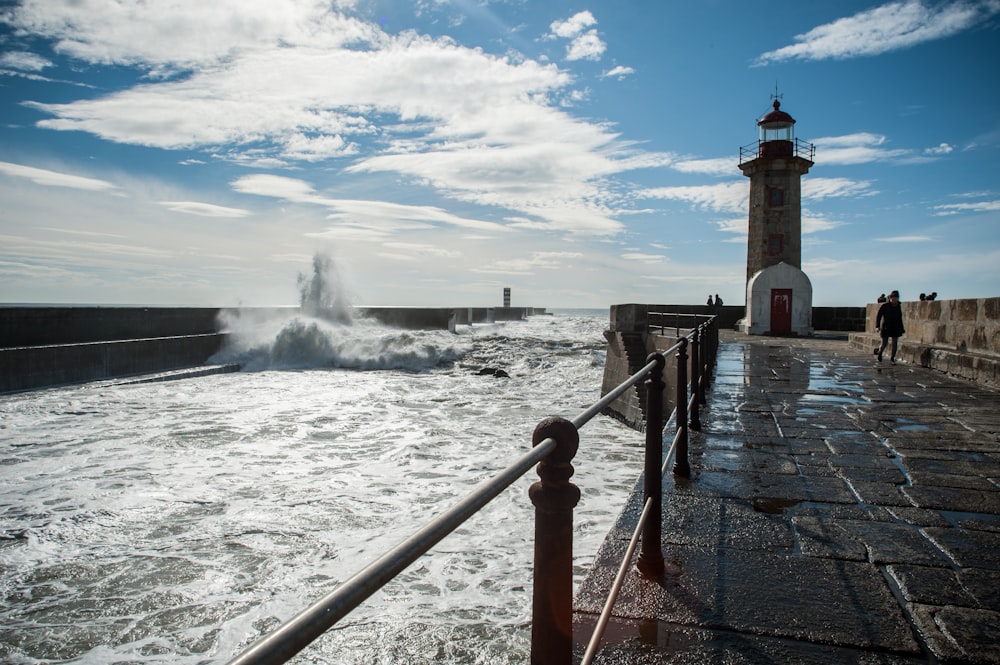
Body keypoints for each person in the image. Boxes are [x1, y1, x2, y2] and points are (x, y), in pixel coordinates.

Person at [874, 290, 905, 364]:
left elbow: (899, 317)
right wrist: (877, 326)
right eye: (893, 298)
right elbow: (879, 316)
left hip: (895, 327)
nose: (894, 300)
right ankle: (880, 354)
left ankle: (892, 358)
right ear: (890, 298)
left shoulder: (898, 306)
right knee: (884, 343)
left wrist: (902, 328)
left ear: (898, 298)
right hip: (886, 326)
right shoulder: (885, 306)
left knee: (895, 343)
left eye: (896, 298)